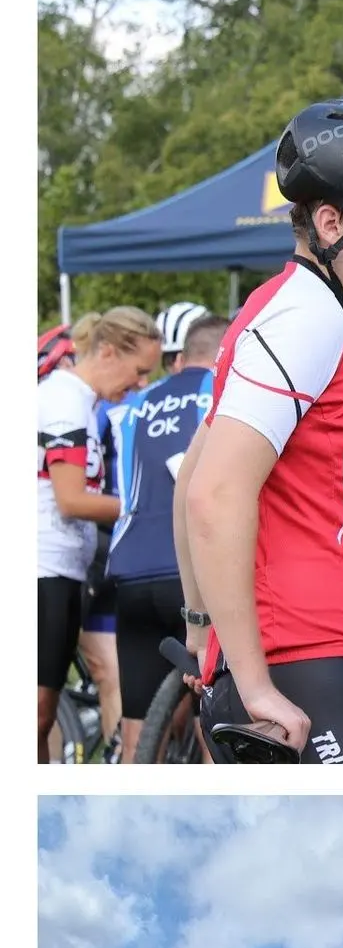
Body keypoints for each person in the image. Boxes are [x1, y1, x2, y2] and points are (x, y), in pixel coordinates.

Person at [175, 99, 343, 763]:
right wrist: (251, 680)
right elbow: (213, 494)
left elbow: (190, 475)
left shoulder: (286, 308)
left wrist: (200, 628)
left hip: (316, 650)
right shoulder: (307, 318)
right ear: (330, 222)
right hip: (307, 653)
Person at [107, 310, 227, 759]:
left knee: (137, 724)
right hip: (190, 570)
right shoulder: (222, 393)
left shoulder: (132, 404)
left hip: (131, 569)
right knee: (215, 715)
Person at [38, 308, 157, 761]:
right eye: (139, 371)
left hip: (64, 567)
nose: (141, 383)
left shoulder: (83, 402)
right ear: (107, 352)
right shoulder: (65, 400)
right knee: (36, 712)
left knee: (43, 712)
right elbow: (71, 499)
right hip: (43, 566)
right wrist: (146, 507)